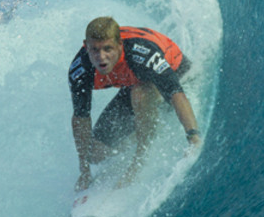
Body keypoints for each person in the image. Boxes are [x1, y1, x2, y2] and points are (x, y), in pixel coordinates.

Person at [69, 16, 201, 191]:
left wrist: (194, 138)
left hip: (178, 73)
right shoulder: (80, 71)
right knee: (96, 154)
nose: (101, 57)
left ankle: (140, 160)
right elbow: (81, 119)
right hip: (134, 83)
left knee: (140, 95)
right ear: (86, 46)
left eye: (108, 49)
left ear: (119, 45)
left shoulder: (141, 56)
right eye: (95, 50)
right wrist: (84, 171)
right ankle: (141, 131)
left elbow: (175, 93)